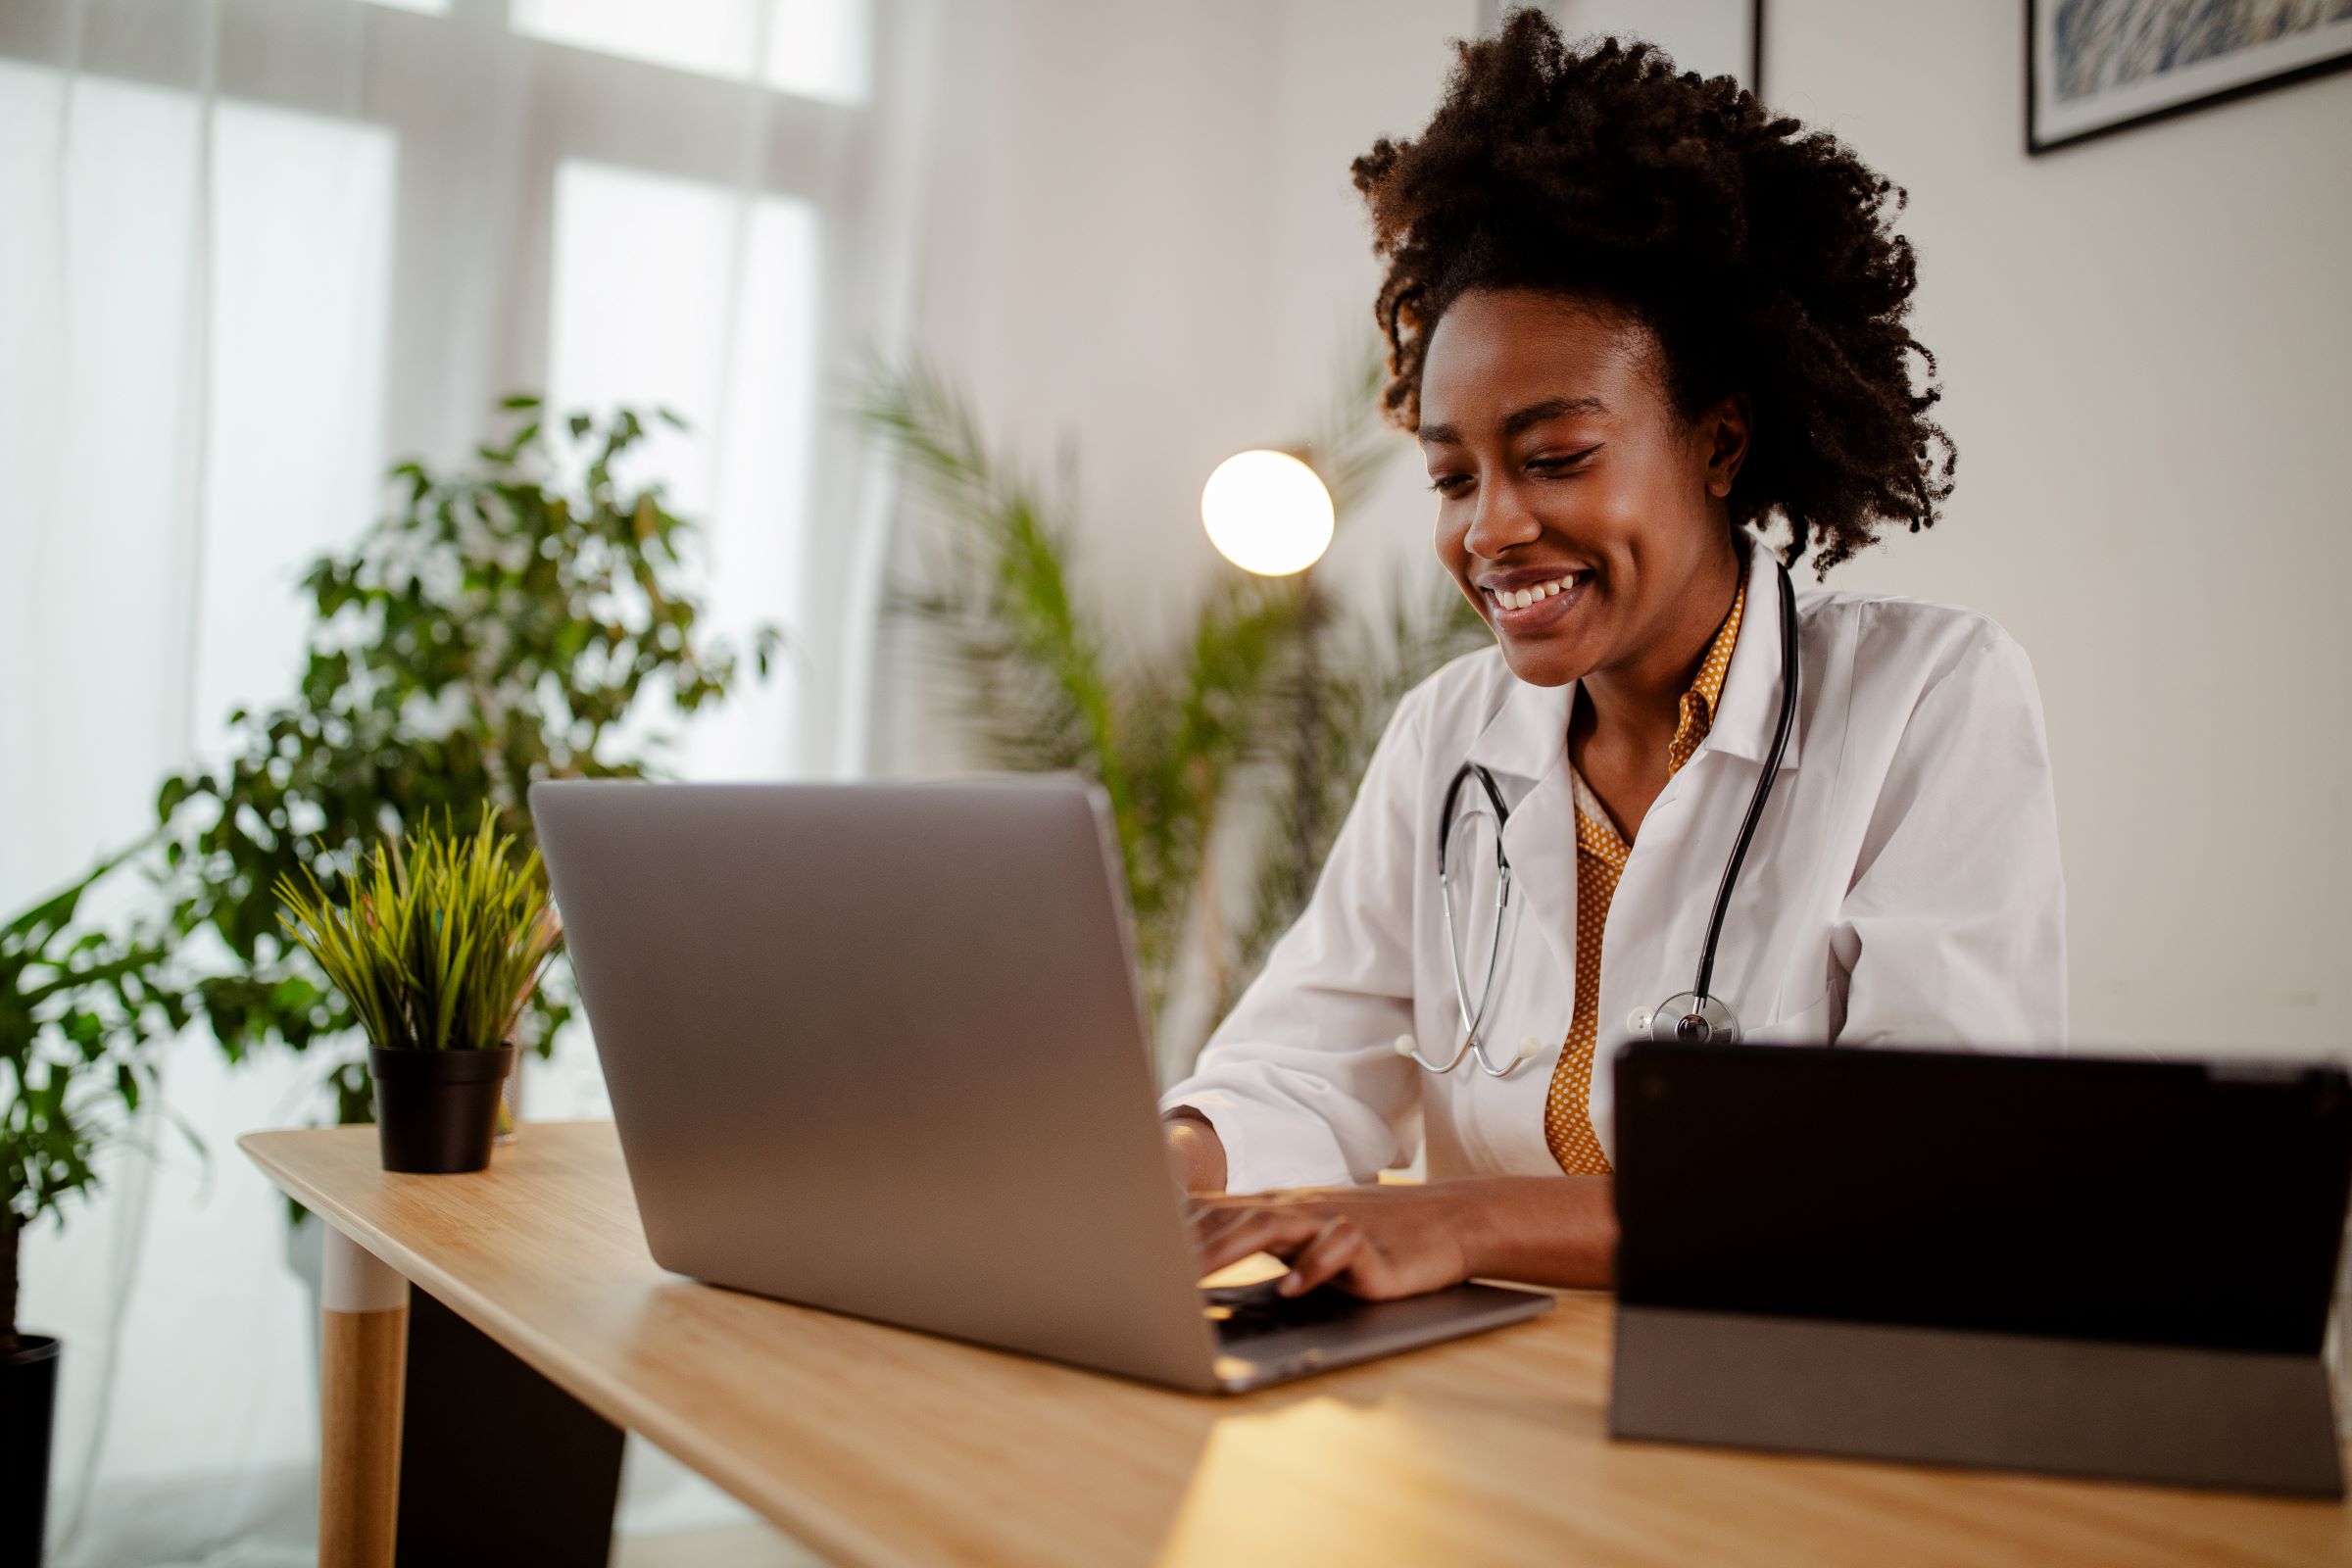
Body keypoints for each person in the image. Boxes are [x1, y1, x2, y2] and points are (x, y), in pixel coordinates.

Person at [1166, 14, 2065, 1304]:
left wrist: (1468, 1223)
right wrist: (1155, 1165)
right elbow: (1301, 1066)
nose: (1491, 530)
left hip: (1780, 1403)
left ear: (1719, 439)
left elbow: (1915, 1173)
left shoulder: (1932, 696)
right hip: (1497, 1393)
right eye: (1451, 475)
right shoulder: (1447, 733)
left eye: (1557, 457)